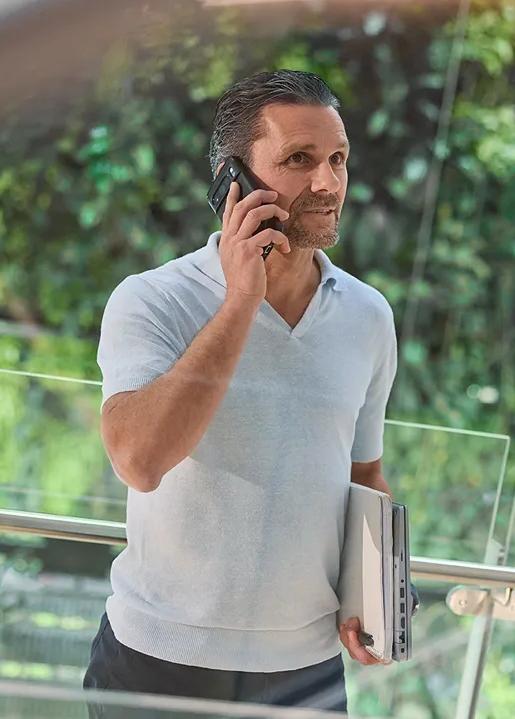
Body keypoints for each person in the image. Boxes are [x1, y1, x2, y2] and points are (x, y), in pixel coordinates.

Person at [83, 70, 398, 715]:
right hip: (157, 662)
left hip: (306, 676)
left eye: (338, 159)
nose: (328, 182)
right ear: (235, 182)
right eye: (299, 159)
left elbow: (363, 473)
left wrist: (379, 591)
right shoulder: (152, 301)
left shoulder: (368, 316)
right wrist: (240, 301)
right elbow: (139, 461)